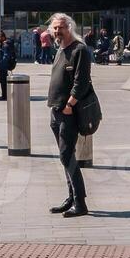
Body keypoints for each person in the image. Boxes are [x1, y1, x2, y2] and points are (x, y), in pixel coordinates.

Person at [46, 13, 93, 218]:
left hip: (69, 112)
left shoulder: (79, 49)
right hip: (56, 111)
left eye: (61, 28)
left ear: (70, 28)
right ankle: (71, 197)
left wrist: (69, 104)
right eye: (55, 28)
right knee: (66, 157)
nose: (57, 31)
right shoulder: (60, 49)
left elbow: (80, 82)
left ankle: (80, 202)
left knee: (66, 155)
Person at [0, 31, 17, 100]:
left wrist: (1, 63)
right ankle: (4, 95)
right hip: (4, 66)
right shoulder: (5, 44)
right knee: (3, 81)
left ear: (3, 37)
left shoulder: (5, 44)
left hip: (3, 67)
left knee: (3, 81)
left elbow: (6, 55)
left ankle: (4, 96)